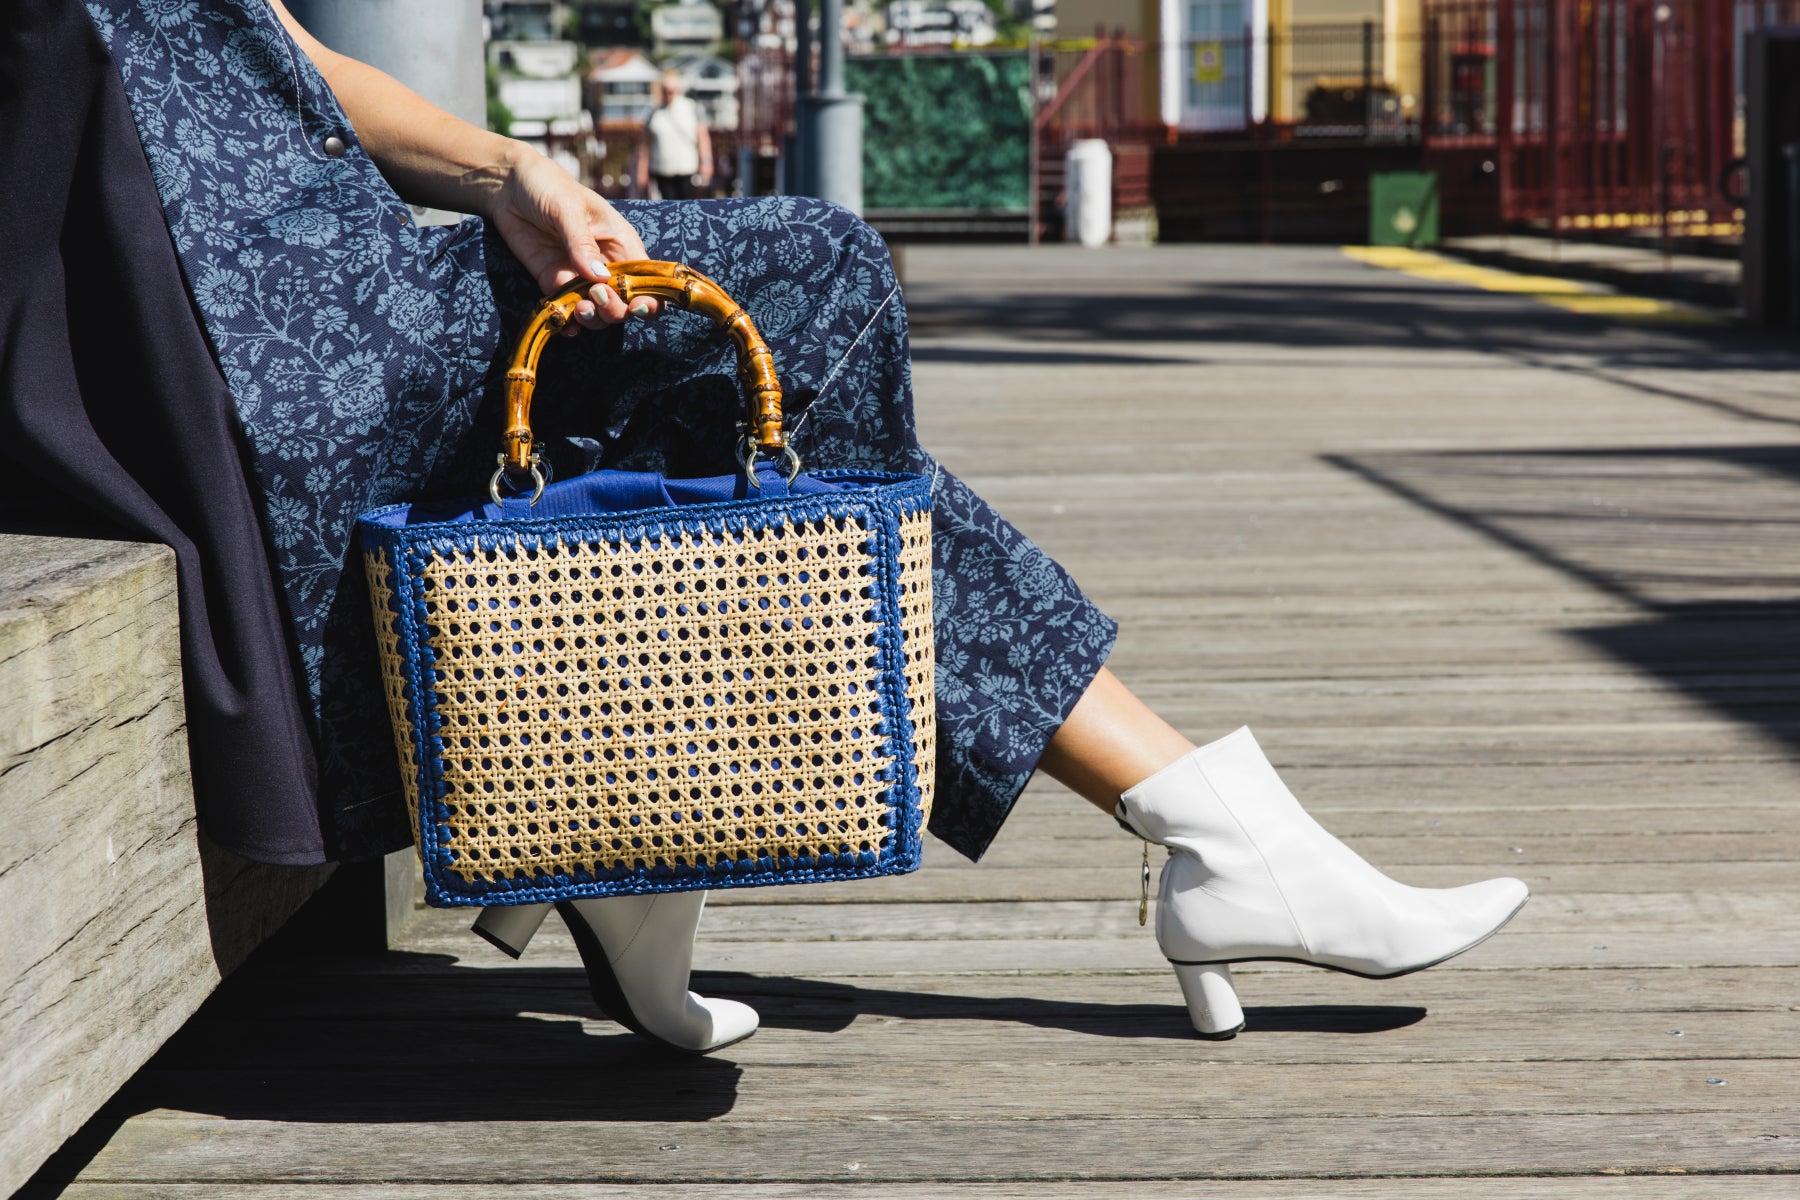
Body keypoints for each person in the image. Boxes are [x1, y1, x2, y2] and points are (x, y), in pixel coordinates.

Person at [1, 0, 1526, 1055]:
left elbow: (267, 48)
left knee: (778, 330)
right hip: (227, 365)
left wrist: (512, 173)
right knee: (804, 282)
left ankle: (653, 838)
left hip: (335, 276)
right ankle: (1203, 832)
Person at [635, 70, 713, 201]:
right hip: (662, 170)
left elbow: (702, 138)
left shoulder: (691, 108)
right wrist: (642, 170)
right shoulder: (653, 112)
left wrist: (706, 163)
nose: (669, 94)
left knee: (687, 206)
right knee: (667, 207)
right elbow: (645, 145)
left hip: (687, 170)